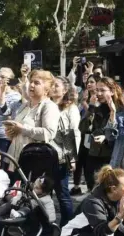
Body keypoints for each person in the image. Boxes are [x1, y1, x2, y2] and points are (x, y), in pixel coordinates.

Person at [5, 70, 59, 174]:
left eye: (37, 83)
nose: (31, 85)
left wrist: (22, 129)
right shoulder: (25, 106)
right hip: (16, 160)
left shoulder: (49, 106)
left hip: (35, 161)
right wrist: (11, 133)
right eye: (31, 82)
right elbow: (18, 133)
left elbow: (49, 133)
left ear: (46, 89)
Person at [81, 77, 121, 190]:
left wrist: (106, 137)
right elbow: (83, 128)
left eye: (102, 90)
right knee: (93, 189)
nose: (98, 93)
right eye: (97, 90)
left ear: (112, 91)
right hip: (93, 155)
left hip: (111, 156)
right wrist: (91, 108)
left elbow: (122, 133)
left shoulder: (120, 109)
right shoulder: (96, 108)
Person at [50, 76, 80, 227]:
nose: (53, 88)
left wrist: (71, 158)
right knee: (44, 193)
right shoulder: (46, 105)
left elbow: (71, 133)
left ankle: (67, 225)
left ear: (65, 90)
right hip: (46, 155)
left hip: (62, 156)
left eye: (56, 85)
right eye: (52, 85)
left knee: (62, 194)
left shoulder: (70, 108)